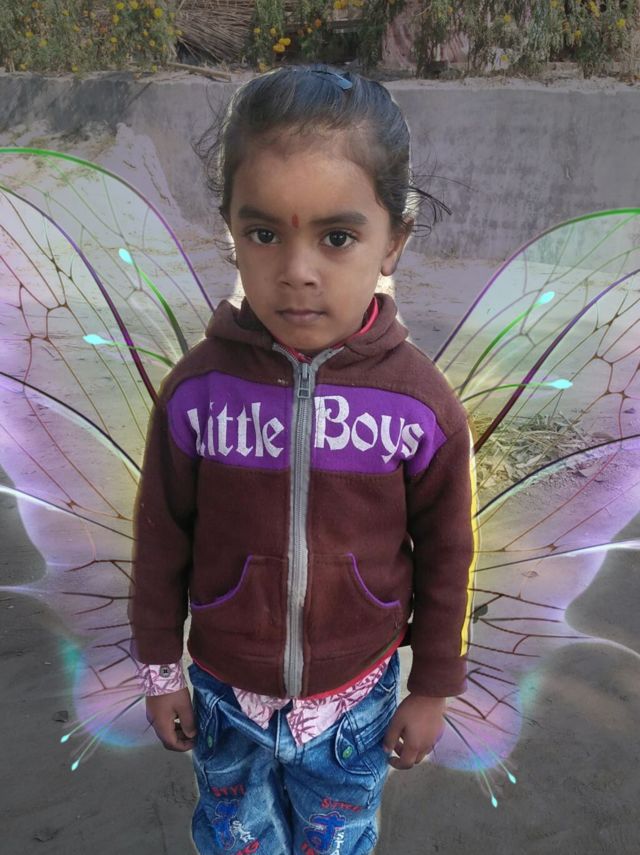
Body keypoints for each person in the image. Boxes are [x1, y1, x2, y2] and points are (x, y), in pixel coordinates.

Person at [129, 62, 477, 855]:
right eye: (263, 234)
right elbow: (160, 540)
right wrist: (161, 671)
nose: (296, 271)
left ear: (394, 241)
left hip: (355, 708)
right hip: (223, 701)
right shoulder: (197, 392)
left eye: (337, 237)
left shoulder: (421, 406)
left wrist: (432, 687)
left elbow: (448, 555)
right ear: (230, 227)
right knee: (236, 839)